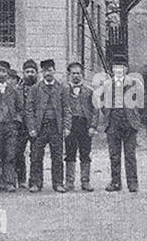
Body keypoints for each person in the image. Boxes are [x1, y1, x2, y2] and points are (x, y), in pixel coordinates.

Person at [26, 59, 68, 192]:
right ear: (41, 73)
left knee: (57, 156)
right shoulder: (35, 89)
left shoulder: (62, 88)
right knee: (36, 156)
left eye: (50, 70)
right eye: (45, 70)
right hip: (40, 127)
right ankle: (36, 183)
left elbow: (67, 109)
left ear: (54, 71)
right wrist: (31, 127)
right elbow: (29, 109)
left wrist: (66, 127)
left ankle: (58, 183)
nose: (48, 73)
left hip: (56, 126)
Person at [102, 57, 142, 192]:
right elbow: (102, 102)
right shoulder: (107, 84)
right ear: (112, 70)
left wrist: (134, 115)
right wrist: (109, 113)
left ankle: (133, 183)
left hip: (129, 122)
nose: (118, 70)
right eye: (116, 68)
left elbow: (141, 102)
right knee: (114, 155)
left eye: (121, 68)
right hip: (113, 122)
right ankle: (115, 182)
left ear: (126, 69)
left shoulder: (134, 84)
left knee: (130, 155)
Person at [0, 61, 23, 191]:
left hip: (10, 127)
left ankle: (9, 182)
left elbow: (20, 108)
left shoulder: (13, 91)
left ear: (8, 74)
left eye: (4, 71)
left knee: (10, 154)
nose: (1, 74)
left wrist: (15, 121)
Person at [63, 60, 97, 191]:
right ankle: (69, 182)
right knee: (70, 152)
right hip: (70, 124)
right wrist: (65, 126)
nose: (76, 76)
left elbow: (95, 110)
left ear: (82, 74)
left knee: (85, 152)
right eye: (73, 73)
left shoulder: (89, 91)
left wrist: (93, 126)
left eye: (78, 73)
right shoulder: (64, 90)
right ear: (69, 75)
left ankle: (85, 181)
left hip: (84, 124)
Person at [15, 59, 38, 186]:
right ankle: (21, 179)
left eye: (32, 71)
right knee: (18, 152)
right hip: (21, 125)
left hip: (36, 124)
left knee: (35, 154)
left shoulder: (39, 88)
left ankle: (34, 180)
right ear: (23, 73)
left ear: (36, 73)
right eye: (27, 71)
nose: (30, 74)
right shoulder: (18, 88)